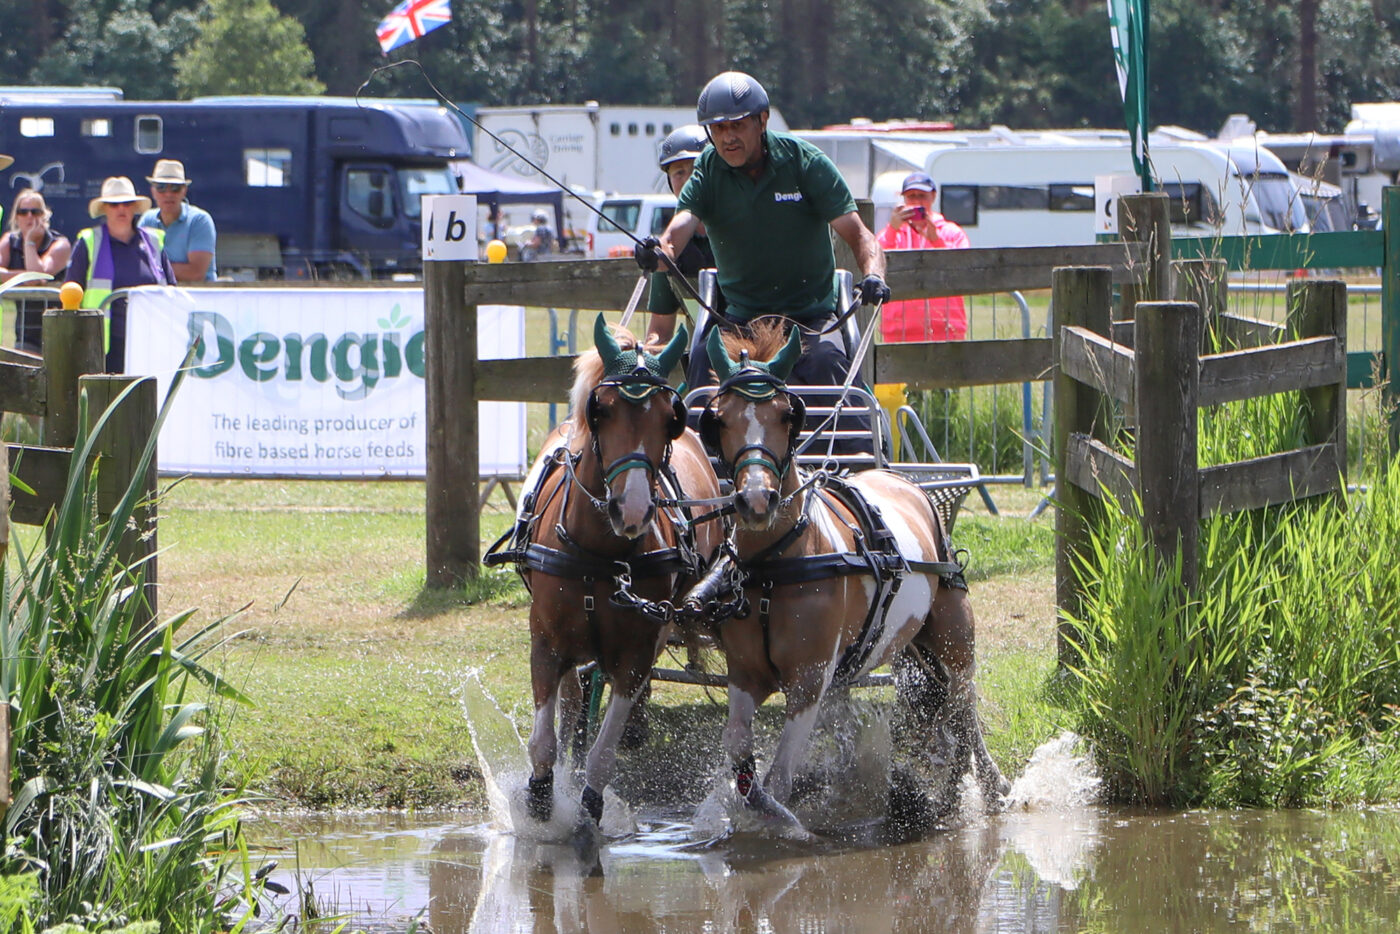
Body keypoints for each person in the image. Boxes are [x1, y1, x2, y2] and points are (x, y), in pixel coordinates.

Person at [637, 71, 889, 398]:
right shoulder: (708, 171)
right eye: (718, 128)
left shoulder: (805, 162)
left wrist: (873, 275)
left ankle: (856, 449)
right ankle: (698, 449)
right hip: (741, 324)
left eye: (737, 125)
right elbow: (676, 234)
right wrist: (658, 253)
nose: (728, 138)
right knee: (701, 359)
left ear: (762, 120)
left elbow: (860, 236)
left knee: (828, 361)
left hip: (810, 321)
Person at [66, 176, 176, 373]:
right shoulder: (88, 241)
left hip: (151, 342)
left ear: (134, 207)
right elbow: (71, 292)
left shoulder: (154, 241)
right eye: (114, 204)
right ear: (104, 209)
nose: (121, 209)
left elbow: (172, 291)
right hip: (102, 345)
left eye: (126, 203)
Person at [642, 124, 714, 359]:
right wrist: (644, 362)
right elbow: (660, 329)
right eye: (678, 173)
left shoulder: (741, 228)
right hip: (701, 362)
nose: (688, 180)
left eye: (696, 170)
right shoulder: (670, 248)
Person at [877, 171, 970, 342]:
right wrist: (893, 229)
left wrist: (936, 240)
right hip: (898, 330)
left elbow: (962, 269)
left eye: (922, 196)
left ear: (933, 197)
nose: (917, 202)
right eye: (911, 197)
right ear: (903, 200)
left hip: (946, 329)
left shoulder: (952, 232)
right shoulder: (892, 233)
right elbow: (875, 259)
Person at [0, 190, 72, 353]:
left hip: (59, 331)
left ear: (45, 216)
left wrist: (29, 242)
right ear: (16, 217)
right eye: (23, 212)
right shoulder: (9, 240)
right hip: (26, 333)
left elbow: (37, 276)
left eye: (35, 212)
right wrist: (24, 277)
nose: (30, 217)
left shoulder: (60, 243)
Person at [139, 159, 217, 282]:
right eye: (161, 187)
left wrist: (154, 267)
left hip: (197, 297)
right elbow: (137, 263)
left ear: (184, 191)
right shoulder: (147, 221)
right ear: (153, 191)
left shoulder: (199, 221)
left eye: (175, 188)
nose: (168, 194)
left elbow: (196, 273)